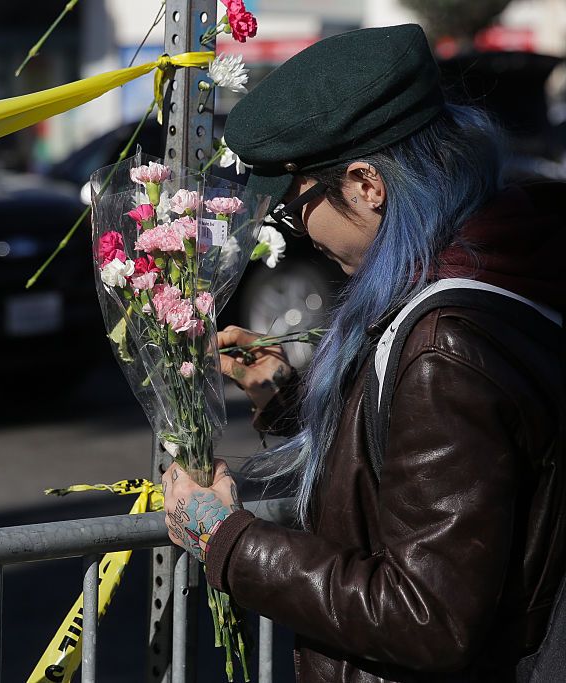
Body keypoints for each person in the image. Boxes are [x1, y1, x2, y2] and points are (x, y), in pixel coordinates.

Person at [161, 24, 566, 682]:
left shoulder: (448, 345)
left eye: (295, 202)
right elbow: (433, 480)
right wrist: (286, 398)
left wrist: (224, 538)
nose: (293, 226)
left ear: (366, 185)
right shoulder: (500, 268)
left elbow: (425, 613)